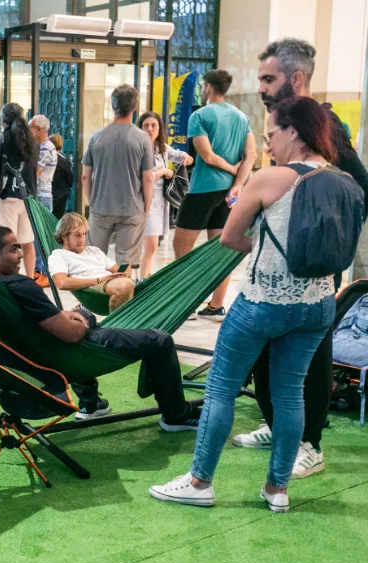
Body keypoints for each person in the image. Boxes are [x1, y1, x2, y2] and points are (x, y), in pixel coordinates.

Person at [150, 97, 341, 514]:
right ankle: (277, 488)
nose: (267, 143)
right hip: (318, 303)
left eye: (271, 134)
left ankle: (200, 481)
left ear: (294, 131)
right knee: (290, 393)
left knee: (221, 387)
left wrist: (266, 248)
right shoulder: (341, 180)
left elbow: (229, 238)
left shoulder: (270, 178)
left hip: (264, 301)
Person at [232, 38, 368, 475]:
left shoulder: (323, 124)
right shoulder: (283, 124)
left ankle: (310, 441)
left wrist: (327, 237)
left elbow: (359, 186)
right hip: (272, 268)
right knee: (269, 349)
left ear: (295, 78)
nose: (261, 88)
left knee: (310, 355)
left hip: (311, 270)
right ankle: (279, 426)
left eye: (268, 79)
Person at [0, 225, 200, 427]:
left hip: (29, 357)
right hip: (63, 356)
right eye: (14, 249)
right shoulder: (21, 285)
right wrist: (78, 324)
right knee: (160, 340)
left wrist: (66, 315)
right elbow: (72, 335)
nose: (21, 254)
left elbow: (29, 316)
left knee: (84, 314)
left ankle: (91, 403)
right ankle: (176, 416)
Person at [173, 69, 256, 320]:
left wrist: (230, 169)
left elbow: (207, 156)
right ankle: (216, 306)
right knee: (220, 250)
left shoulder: (200, 115)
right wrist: (237, 183)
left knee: (181, 247)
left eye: (203, 86)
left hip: (202, 189)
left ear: (208, 87)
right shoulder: (241, 117)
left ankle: (185, 304)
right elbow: (251, 155)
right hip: (228, 193)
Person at [81, 85, 153, 272]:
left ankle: (96, 291)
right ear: (134, 107)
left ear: (113, 106)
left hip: (101, 208)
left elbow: (85, 176)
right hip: (132, 208)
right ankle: (123, 291)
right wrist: (146, 206)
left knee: (95, 258)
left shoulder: (97, 137)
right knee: (125, 261)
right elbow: (148, 178)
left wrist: (92, 201)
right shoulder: (143, 138)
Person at [0, 103, 38, 279]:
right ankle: (30, 279)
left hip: (8, 197)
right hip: (28, 198)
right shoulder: (31, 140)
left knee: (5, 243)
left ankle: (8, 278)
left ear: (3, 120)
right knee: (27, 243)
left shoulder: (1, 138)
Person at [137, 112, 193, 280]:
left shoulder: (161, 148)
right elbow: (140, 177)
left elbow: (177, 155)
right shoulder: (137, 149)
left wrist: (185, 156)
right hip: (143, 201)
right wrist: (163, 171)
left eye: (153, 125)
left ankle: (144, 277)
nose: (150, 129)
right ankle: (141, 279)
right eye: (146, 125)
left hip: (160, 202)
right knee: (150, 245)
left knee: (152, 246)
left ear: (159, 128)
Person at [49, 213, 135, 312]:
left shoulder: (94, 251)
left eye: (84, 234)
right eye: (77, 235)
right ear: (64, 236)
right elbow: (62, 283)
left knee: (144, 287)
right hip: (94, 287)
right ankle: (116, 321)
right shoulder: (59, 255)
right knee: (124, 286)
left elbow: (117, 270)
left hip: (110, 282)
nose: (82, 239)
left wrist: (125, 273)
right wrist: (98, 280)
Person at [30, 115, 58, 212]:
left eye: (30, 127)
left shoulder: (46, 148)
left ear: (38, 129)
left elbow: (34, 172)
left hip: (41, 196)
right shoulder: (42, 146)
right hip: (40, 195)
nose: (28, 131)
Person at [49, 134, 75, 219]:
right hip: (60, 195)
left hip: (47, 193)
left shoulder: (44, 158)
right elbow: (70, 178)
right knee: (57, 220)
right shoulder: (64, 162)